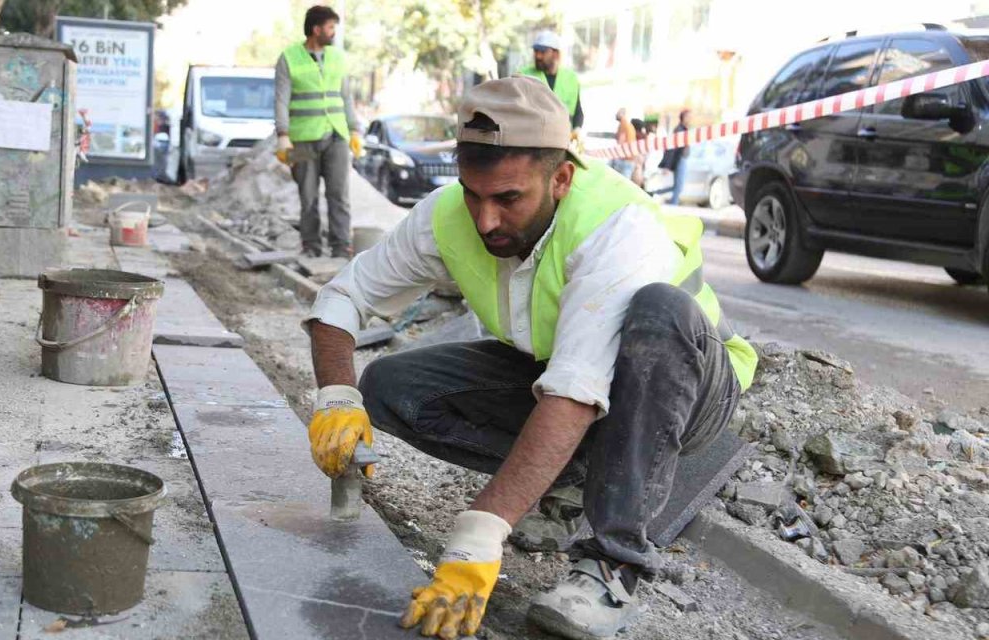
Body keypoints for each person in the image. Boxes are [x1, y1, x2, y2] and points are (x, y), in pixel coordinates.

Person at [304, 78, 755, 640]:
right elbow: (341, 298)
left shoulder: (617, 224)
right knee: (392, 383)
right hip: (565, 375)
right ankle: (573, 481)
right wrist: (337, 398)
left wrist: (476, 539)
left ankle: (611, 564)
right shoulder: (448, 215)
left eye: (508, 199)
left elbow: (574, 389)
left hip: (685, 396)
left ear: (561, 177)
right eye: (474, 194)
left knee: (660, 310)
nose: (485, 220)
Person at [273, 5, 362, 258]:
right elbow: (280, 99)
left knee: (339, 195)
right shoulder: (289, 58)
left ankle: (341, 246)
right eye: (330, 27)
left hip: (336, 136)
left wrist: (355, 130)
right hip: (301, 141)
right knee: (308, 196)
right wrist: (283, 136)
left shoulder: (338, 58)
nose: (334, 32)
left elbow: (346, 97)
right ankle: (311, 246)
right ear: (316, 29)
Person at [517, 31, 583, 129]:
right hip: (532, 134)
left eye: (542, 52)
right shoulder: (523, 75)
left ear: (555, 54)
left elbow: (577, 110)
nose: (538, 56)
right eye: (536, 51)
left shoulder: (571, 78)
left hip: (562, 136)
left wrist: (577, 128)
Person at [660, 110, 691, 205]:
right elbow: (672, 149)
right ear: (684, 117)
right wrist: (668, 166)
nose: (690, 119)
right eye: (689, 117)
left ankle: (656, 193)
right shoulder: (679, 130)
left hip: (682, 159)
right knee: (678, 186)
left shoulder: (684, 129)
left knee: (677, 186)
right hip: (680, 160)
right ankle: (673, 204)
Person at [612, 108, 637, 179]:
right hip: (630, 159)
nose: (616, 115)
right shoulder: (630, 126)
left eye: (618, 113)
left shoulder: (623, 123)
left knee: (618, 184)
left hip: (624, 159)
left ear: (622, 114)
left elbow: (621, 141)